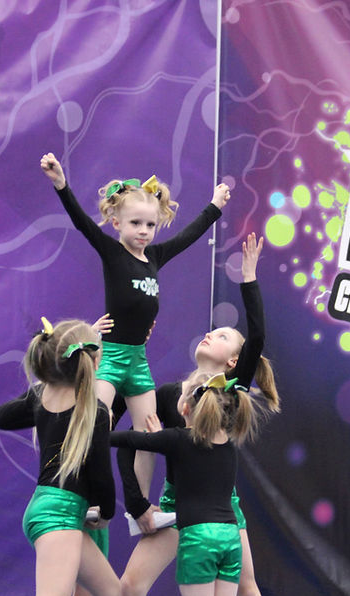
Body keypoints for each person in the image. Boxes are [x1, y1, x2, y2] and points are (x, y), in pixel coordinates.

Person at [115, 233, 281, 596]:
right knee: (131, 587)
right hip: (175, 504)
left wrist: (248, 278)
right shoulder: (170, 395)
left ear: (231, 362)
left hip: (223, 508)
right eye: (212, 330)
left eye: (223, 335)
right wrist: (137, 505)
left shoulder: (231, 388)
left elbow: (257, 337)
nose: (211, 334)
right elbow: (130, 441)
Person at [40, 152, 231, 504]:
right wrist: (61, 184)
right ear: (116, 223)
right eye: (135, 224)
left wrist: (214, 206)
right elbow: (82, 223)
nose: (143, 232)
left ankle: (140, 508)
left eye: (150, 225)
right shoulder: (113, 254)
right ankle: (87, 496)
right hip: (111, 357)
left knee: (150, 433)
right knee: (95, 425)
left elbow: (189, 235)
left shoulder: (155, 258)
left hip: (138, 361)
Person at [111, 369, 263, 596]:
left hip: (198, 537)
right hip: (230, 536)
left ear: (184, 408)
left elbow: (131, 441)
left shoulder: (177, 439)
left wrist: (99, 433)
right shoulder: (228, 445)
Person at [0, 318, 119, 596]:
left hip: (52, 509)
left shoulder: (43, 398)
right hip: (59, 514)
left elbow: (1, 417)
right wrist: (105, 513)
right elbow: (102, 477)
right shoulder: (95, 411)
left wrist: (42, 384)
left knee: (109, 593)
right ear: (92, 362)